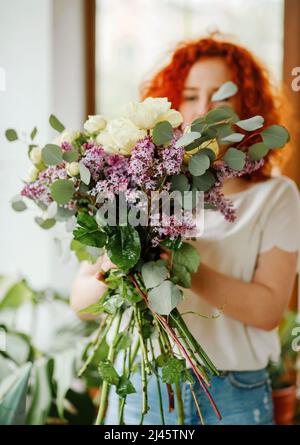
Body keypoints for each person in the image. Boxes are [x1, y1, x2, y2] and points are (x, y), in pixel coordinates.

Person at [70, 36, 300, 425]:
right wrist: (122, 255)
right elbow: (81, 303)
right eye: (191, 95)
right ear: (172, 105)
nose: (203, 108)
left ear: (248, 107)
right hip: (141, 391)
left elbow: (267, 312)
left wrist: (182, 266)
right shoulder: (138, 184)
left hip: (233, 397)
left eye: (221, 97)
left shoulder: (276, 195)